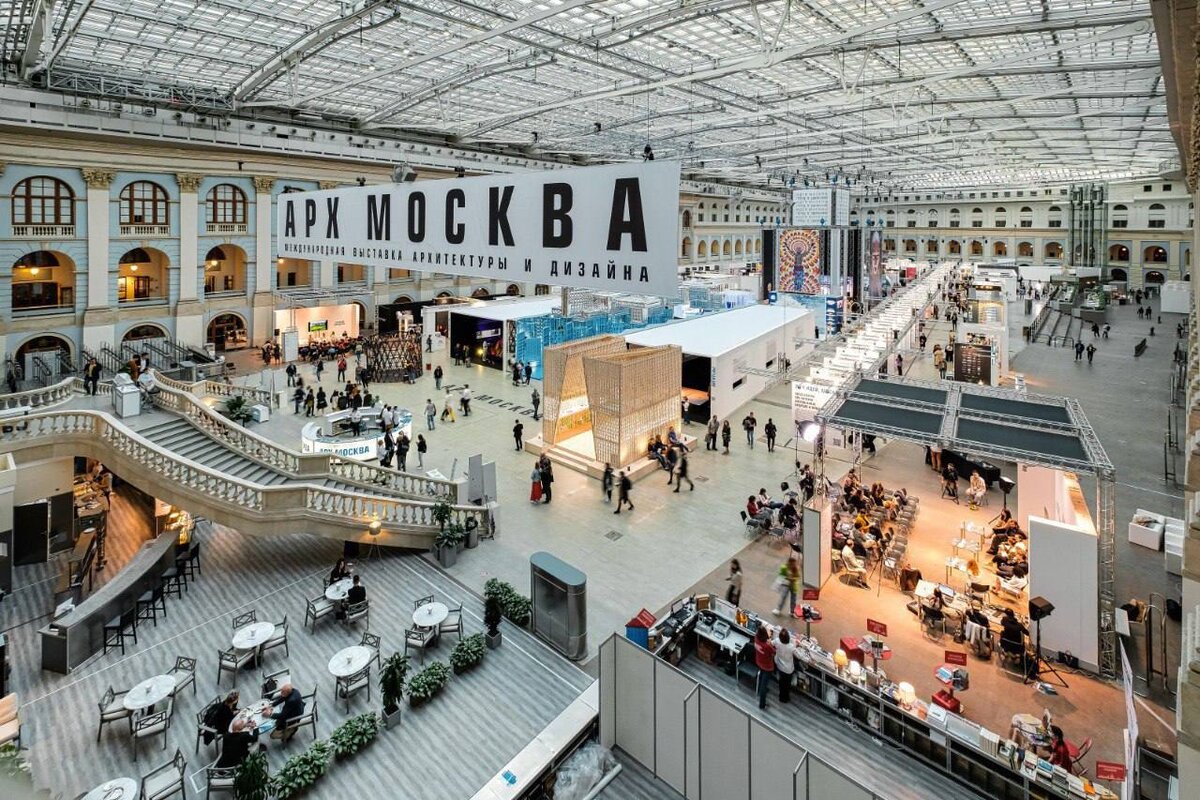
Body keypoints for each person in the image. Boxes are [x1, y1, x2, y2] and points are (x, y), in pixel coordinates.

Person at [772, 626, 797, 703]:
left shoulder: (777, 641)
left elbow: (771, 643)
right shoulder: (791, 647)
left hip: (779, 665)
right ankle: (786, 697)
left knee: (781, 683)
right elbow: (798, 655)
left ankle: (781, 697)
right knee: (787, 684)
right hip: (788, 669)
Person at [753, 626, 775, 710]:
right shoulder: (767, 646)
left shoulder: (756, 638)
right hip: (767, 666)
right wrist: (770, 642)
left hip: (759, 661)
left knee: (761, 676)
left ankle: (759, 689)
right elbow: (774, 652)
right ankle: (762, 704)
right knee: (764, 684)